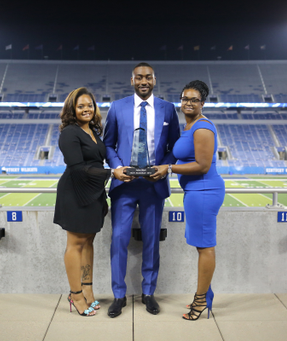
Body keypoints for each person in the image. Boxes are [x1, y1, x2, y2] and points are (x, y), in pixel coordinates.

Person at [103, 62, 180, 318]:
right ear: (132, 80)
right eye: (139, 77)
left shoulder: (168, 109)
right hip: (124, 186)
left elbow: (175, 146)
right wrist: (116, 167)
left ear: (154, 80)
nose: (143, 81)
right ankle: (118, 295)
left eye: (148, 77)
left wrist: (166, 165)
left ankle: (148, 292)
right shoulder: (117, 107)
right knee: (118, 241)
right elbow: (109, 144)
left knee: (151, 242)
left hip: (153, 185)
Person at [151, 80, 225, 320]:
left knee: (205, 246)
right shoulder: (190, 125)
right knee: (201, 244)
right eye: (185, 99)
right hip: (196, 192)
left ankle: (201, 300)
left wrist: (169, 168)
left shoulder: (202, 127)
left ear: (202, 103)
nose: (188, 103)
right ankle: (206, 295)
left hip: (204, 191)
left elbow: (203, 166)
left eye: (194, 99)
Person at [54, 87, 113, 317]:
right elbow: (78, 168)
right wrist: (111, 174)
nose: (86, 109)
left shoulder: (92, 131)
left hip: (93, 192)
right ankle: (75, 294)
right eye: (81, 106)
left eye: (90, 105)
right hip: (75, 191)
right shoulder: (70, 132)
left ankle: (88, 289)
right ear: (72, 109)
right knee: (75, 243)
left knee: (88, 241)